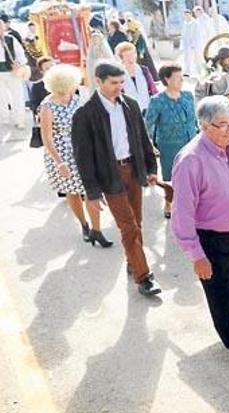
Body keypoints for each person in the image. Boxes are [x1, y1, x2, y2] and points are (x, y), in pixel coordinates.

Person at [171, 96, 229, 367]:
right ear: (204, 126)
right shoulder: (190, 160)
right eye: (222, 124)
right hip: (212, 241)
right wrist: (197, 255)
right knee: (222, 296)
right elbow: (182, 213)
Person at [72, 61, 162, 297]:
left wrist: (152, 167)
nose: (119, 87)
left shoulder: (130, 105)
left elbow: (144, 140)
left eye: (122, 82)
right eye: (113, 83)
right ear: (98, 82)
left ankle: (133, 263)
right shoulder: (85, 114)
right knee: (129, 226)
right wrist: (91, 191)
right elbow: (83, 157)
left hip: (134, 170)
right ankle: (144, 278)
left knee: (137, 223)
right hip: (109, 176)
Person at [39, 63, 111, 247]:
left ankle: (97, 229)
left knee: (90, 189)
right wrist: (59, 162)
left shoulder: (77, 99)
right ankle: (84, 225)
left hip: (82, 148)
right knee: (72, 191)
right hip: (62, 154)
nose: (76, 85)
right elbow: (46, 139)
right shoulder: (47, 107)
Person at [144, 63, 198, 219]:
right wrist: (148, 144)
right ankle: (169, 203)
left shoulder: (188, 96)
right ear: (166, 79)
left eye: (182, 77)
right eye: (177, 78)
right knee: (171, 177)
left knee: (192, 175)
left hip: (190, 142)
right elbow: (147, 124)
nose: (181, 80)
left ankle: (191, 204)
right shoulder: (157, 101)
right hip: (169, 146)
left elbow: (194, 119)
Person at [0, 13, 28, 129]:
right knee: (1, 97)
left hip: (12, 71)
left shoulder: (10, 39)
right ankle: (4, 119)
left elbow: (21, 55)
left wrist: (19, 64)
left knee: (17, 96)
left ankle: (19, 120)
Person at [115, 42, 157, 114]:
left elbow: (153, 89)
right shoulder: (118, 74)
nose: (130, 58)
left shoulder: (144, 70)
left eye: (132, 55)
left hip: (147, 109)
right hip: (128, 112)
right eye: (127, 56)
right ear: (121, 58)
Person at [180, 10, 202, 77]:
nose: (187, 16)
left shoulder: (195, 23)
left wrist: (194, 44)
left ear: (191, 15)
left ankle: (200, 72)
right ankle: (187, 72)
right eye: (185, 15)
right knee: (187, 58)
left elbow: (197, 34)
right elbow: (183, 34)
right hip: (186, 44)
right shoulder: (184, 23)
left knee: (197, 58)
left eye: (188, 15)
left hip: (195, 44)